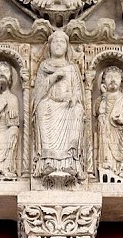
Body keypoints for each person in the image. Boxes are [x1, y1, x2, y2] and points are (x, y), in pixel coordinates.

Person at [33, 30, 85, 184]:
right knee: (42, 108)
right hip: (50, 104)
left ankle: (70, 162)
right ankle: (47, 161)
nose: (58, 45)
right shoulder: (44, 66)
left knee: (78, 110)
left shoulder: (72, 67)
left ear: (67, 47)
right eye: (55, 42)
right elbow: (38, 91)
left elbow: (78, 90)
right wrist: (54, 77)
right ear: (49, 46)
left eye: (61, 42)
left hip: (67, 106)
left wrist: (73, 99)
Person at [95, 67, 123, 182]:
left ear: (121, 81)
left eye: (116, 77)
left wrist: (122, 120)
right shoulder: (100, 99)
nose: (113, 80)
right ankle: (107, 164)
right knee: (103, 122)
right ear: (103, 81)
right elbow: (100, 112)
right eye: (109, 77)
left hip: (121, 131)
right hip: (106, 130)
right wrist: (104, 96)